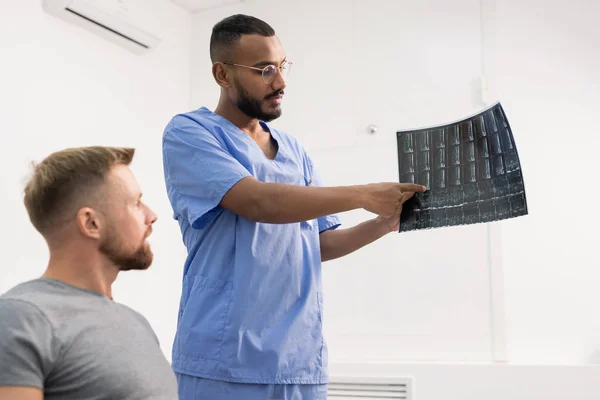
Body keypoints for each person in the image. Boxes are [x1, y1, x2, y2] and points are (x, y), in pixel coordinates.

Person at [161, 14, 426, 400]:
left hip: (298, 362)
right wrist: (363, 195)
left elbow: (317, 244)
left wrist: (386, 223)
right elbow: (257, 201)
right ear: (222, 74)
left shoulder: (293, 150)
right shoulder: (190, 133)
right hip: (225, 362)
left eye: (282, 66)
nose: (281, 81)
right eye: (264, 70)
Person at [0, 146, 178, 400]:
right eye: (136, 203)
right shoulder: (20, 317)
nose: (151, 216)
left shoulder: (137, 323)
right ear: (91, 223)